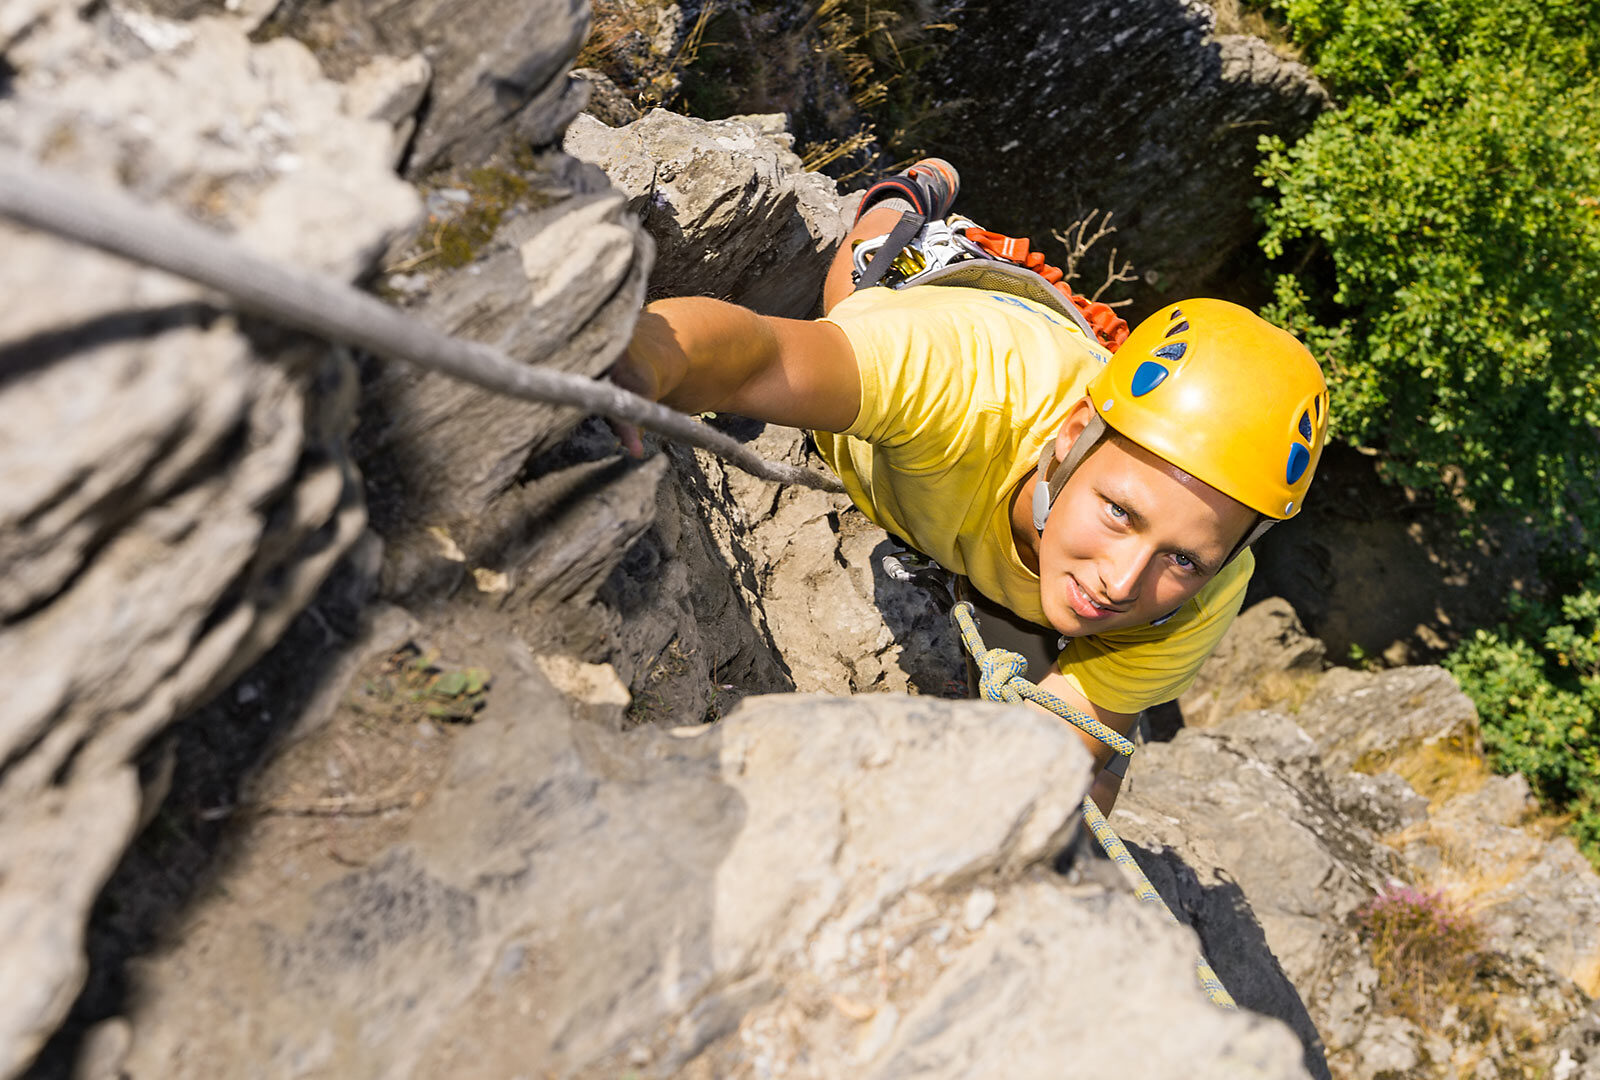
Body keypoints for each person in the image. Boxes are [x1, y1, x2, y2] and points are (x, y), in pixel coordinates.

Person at [610, 160, 1329, 812]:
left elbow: (1057, 753)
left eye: (1185, 559)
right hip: (962, 310)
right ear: (1072, 437)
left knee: (1090, 783)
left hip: (1039, 445)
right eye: (1119, 512)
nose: (1121, 581)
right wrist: (637, 358)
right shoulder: (962, 381)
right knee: (856, 282)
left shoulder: (1200, 596)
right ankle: (908, 194)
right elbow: (757, 358)